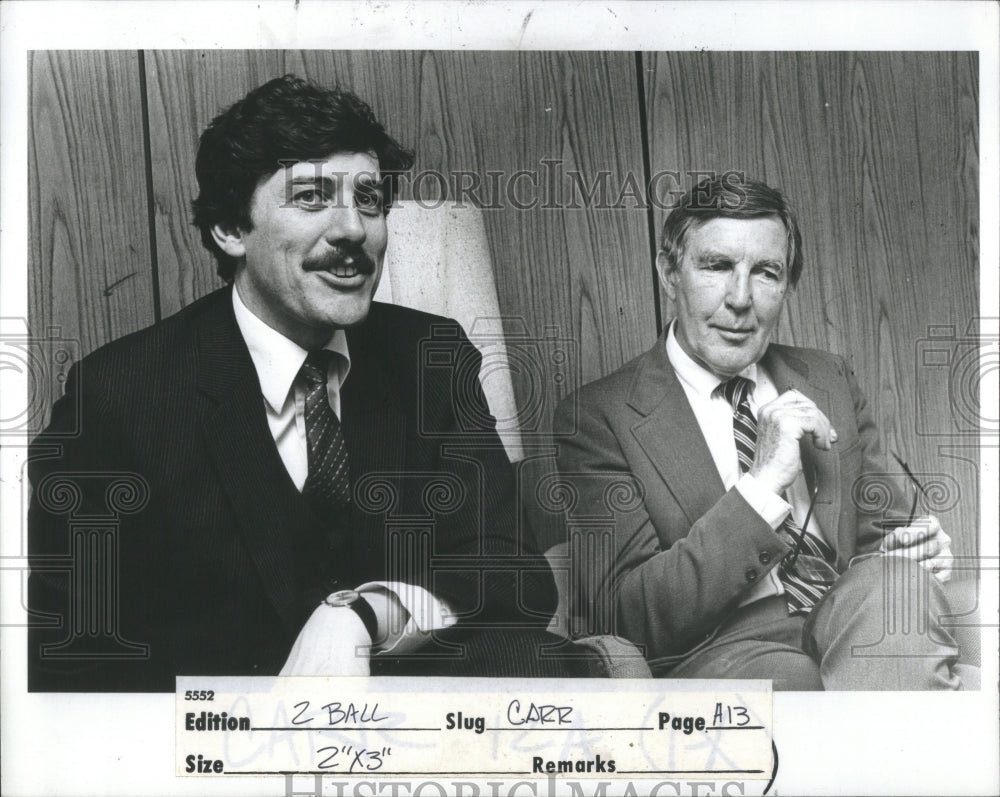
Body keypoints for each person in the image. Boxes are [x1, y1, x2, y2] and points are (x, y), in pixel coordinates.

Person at [28, 74, 569, 691]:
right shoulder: (120, 395)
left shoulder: (430, 356)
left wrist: (366, 615)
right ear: (231, 228)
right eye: (312, 197)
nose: (353, 230)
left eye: (369, 200)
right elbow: (71, 657)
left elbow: (514, 578)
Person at [554, 175, 978, 690]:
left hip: (851, 619)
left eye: (765, 273)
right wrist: (763, 483)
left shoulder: (828, 377)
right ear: (670, 272)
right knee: (798, 681)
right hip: (724, 654)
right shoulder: (600, 416)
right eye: (717, 266)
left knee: (899, 593)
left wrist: (916, 550)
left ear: (788, 286)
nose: (740, 298)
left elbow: (880, 534)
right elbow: (630, 617)